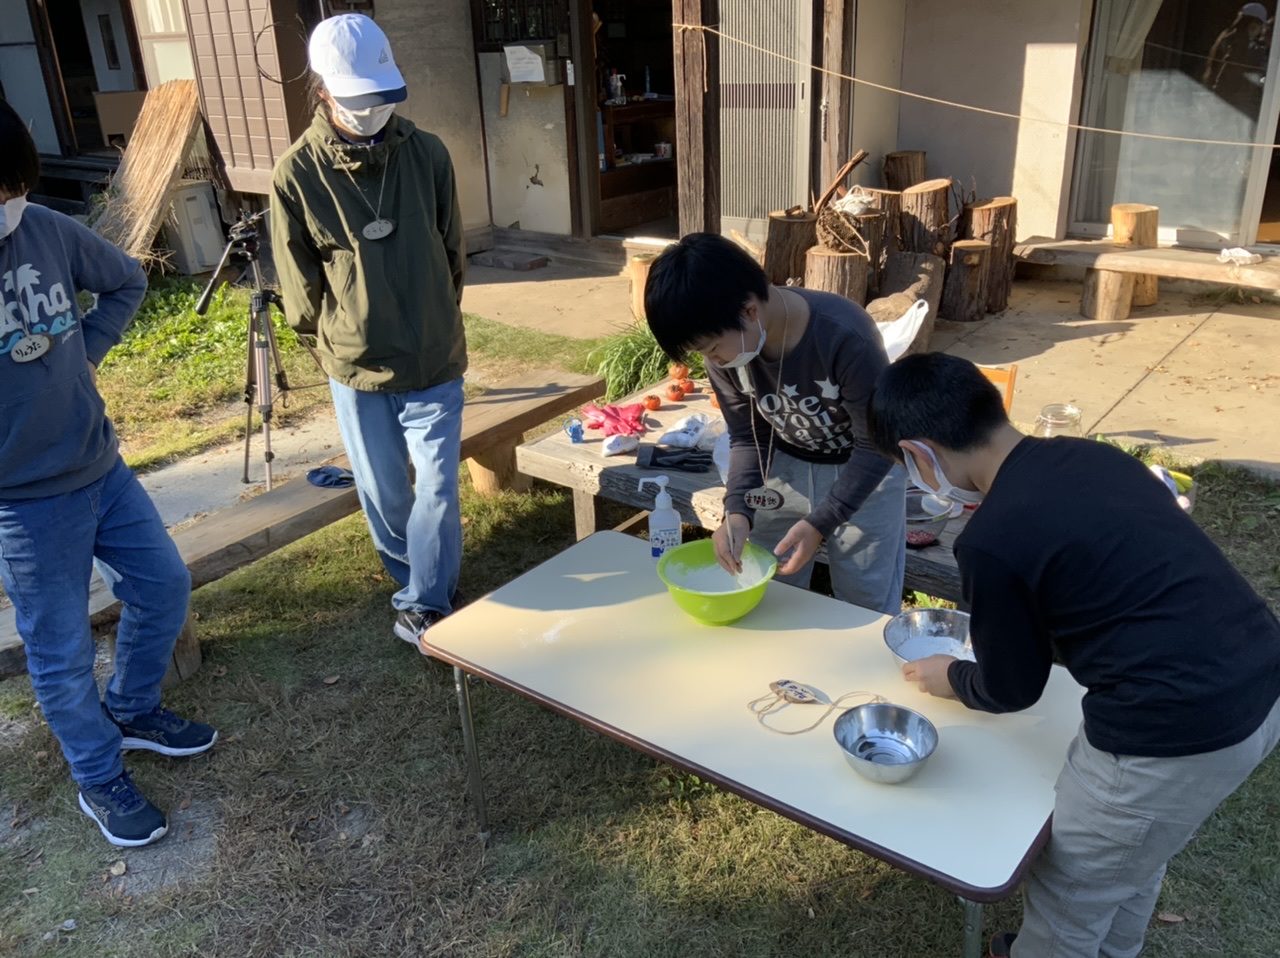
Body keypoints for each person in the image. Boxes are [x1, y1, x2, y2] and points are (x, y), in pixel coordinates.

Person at [866, 352, 1280, 958]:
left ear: (919, 455)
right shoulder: (1094, 457)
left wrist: (949, 674)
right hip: (1258, 681)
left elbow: (1011, 688)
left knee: (1072, 892)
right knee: (1133, 858)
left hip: (1170, 730)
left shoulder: (992, 539)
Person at [0, 100, 217, 848]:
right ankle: (97, 775)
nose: (8, 204)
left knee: (164, 586)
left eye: (14, 186)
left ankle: (130, 707)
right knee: (59, 654)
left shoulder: (44, 229)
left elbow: (125, 281)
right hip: (24, 504)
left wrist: (86, 350)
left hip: (102, 467)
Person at [271, 13, 467, 650]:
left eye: (382, 97)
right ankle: (416, 580)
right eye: (358, 100)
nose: (373, 111)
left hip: (433, 355)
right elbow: (299, 285)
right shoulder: (297, 173)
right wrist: (337, 339)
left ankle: (425, 600)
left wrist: (435, 313)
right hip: (357, 365)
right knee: (384, 492)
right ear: (323, 90)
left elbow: (452, 251)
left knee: (436, 485)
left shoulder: (428, 154)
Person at [644, 232, 905, 614]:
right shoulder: (728, 352)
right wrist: (737, 510)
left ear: (750, 311)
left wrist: (822, 521)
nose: (713, 362)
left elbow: (877, 443)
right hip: (785, 466)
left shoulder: (844, 335)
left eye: (712, 348)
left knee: (866, 602)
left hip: (865, 471)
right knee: (770, 588)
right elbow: (747, 436)